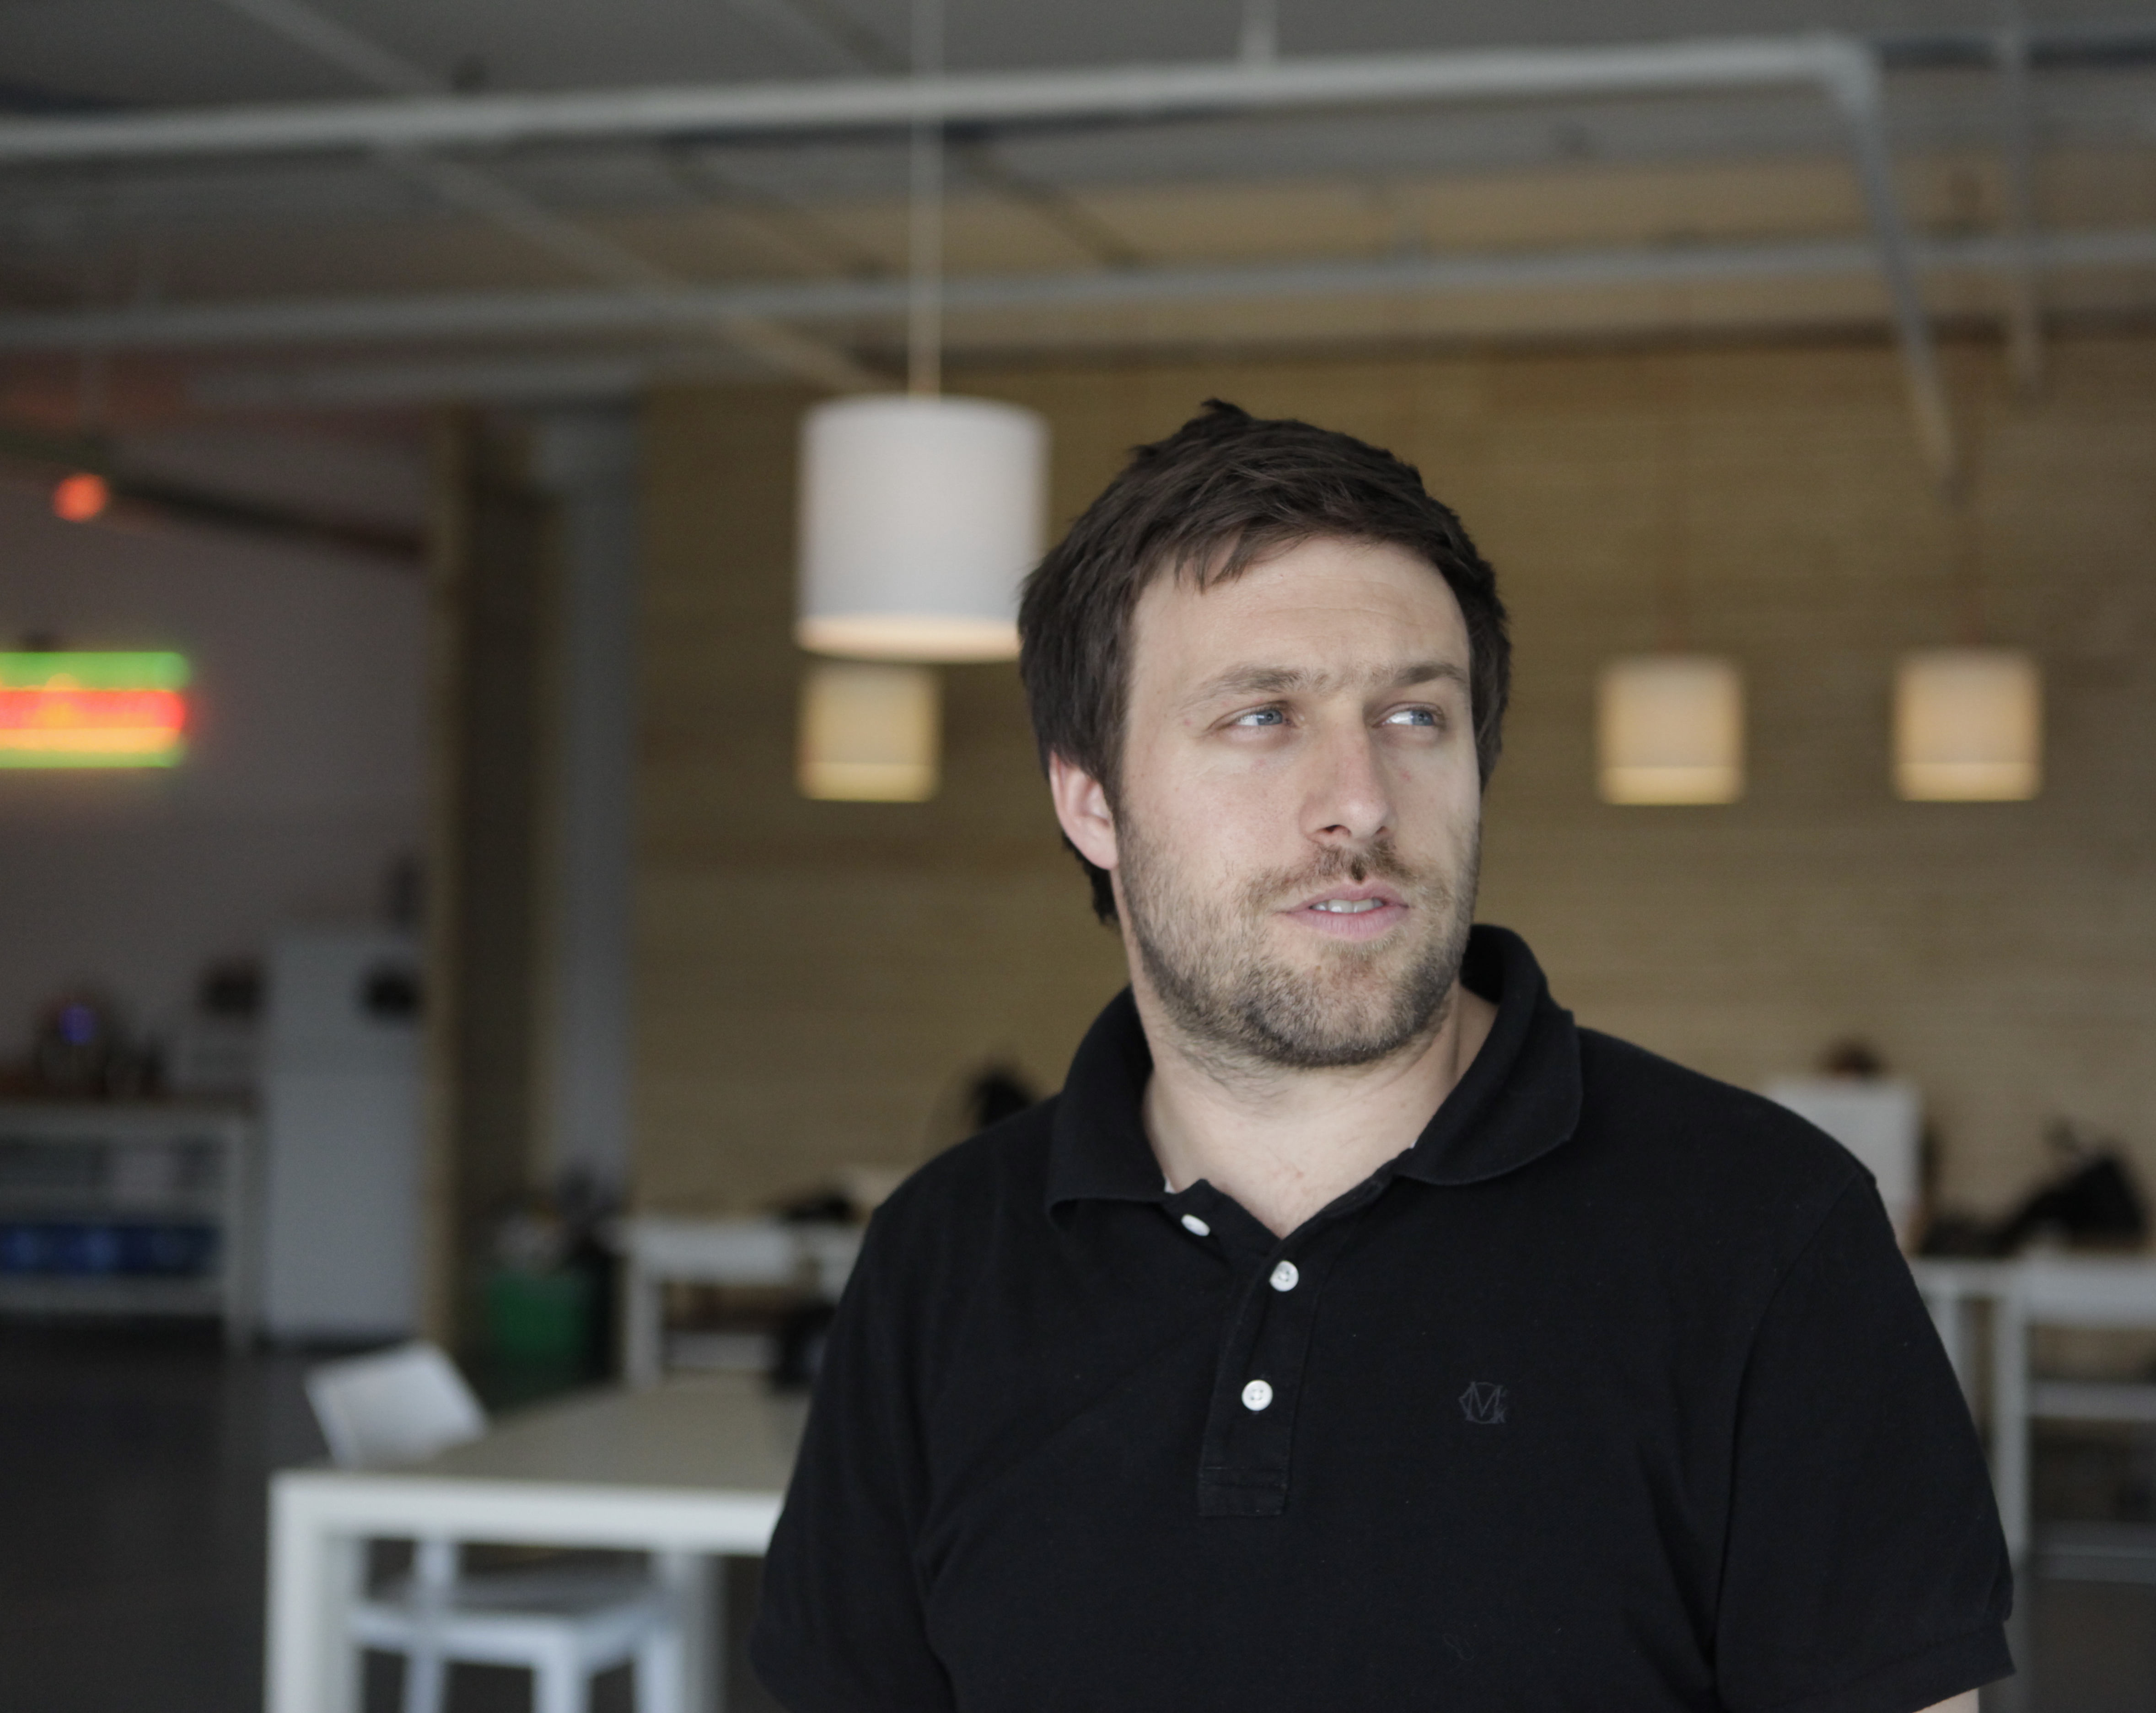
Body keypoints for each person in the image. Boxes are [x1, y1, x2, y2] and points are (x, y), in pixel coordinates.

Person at [753, 402, 2011, 1713]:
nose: (1359, 799)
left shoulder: (1769, 1233)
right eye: (1262, 716)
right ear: (1092, 801)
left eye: (1416, 716)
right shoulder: (938, 1261)